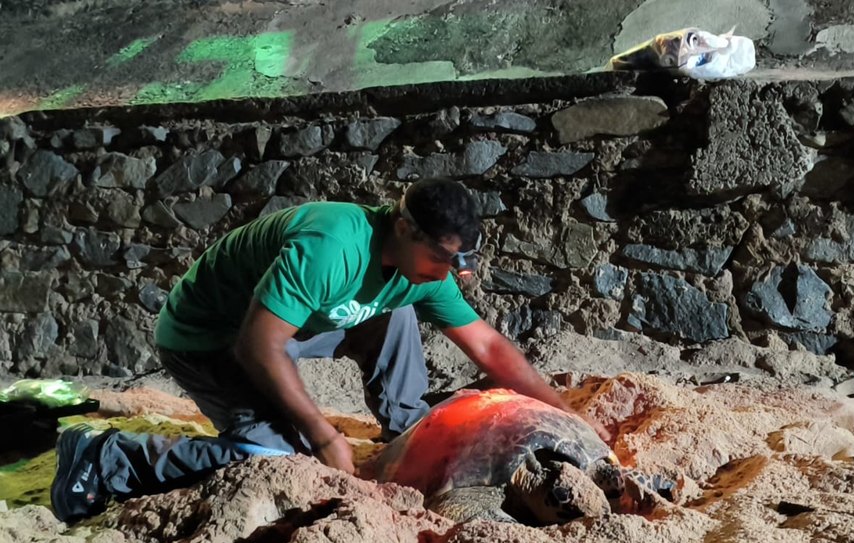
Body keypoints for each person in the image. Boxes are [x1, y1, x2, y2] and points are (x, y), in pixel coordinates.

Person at [51, 178, 602, 523]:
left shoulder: (425, 270)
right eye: (445, 257)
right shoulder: (331, 246)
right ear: (404, 227)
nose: (456, 273)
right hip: (212, 337)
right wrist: (324, 435)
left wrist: (563, 412)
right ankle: (106, 459)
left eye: (465, 261)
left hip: (295, 326)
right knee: (274, 456)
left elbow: (489, 347)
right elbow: (257, 345)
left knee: (400, 307)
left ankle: (405, 425)